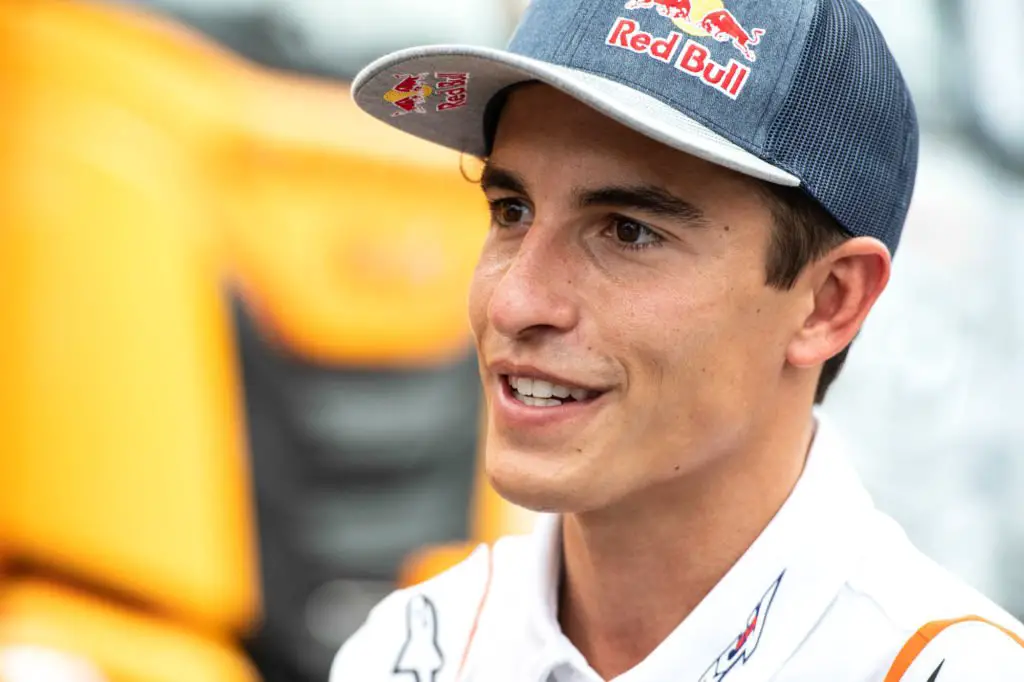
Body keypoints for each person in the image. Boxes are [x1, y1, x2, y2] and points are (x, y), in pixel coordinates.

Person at [330, 0, 1024, 679]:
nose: (514, 303)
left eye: (628, 231)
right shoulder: (406, 651)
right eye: (511, 211)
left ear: (827, 303)